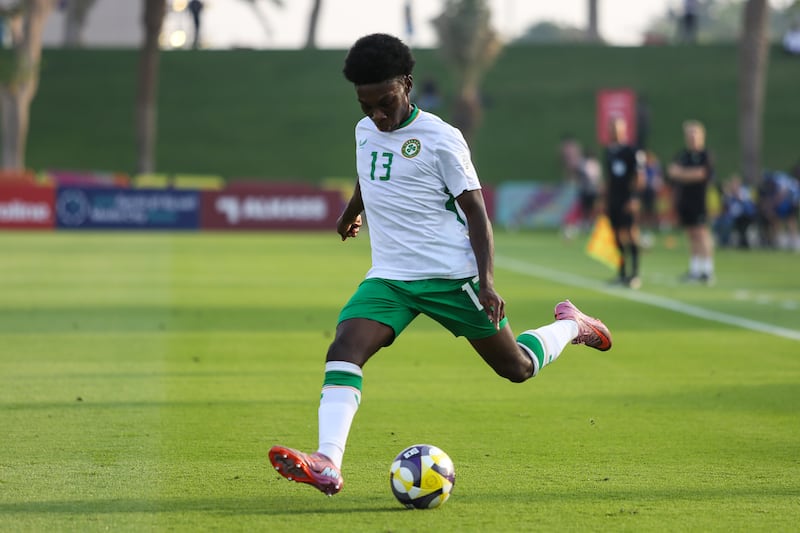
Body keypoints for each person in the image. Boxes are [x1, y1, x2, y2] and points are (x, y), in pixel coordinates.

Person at [267, 33, 613, 496]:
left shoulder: (441, 138)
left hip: (451, 278)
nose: (377, 115)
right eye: (366, 105)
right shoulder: (365, 130)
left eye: (385, 103)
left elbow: (477, 213)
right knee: (344, 348)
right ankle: (328, 462)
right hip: (391, 277)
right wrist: (350, 213)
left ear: (407, 85)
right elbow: (369, 172)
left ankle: (572, 324)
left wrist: (486, 283)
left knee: (516, 368)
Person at [667, 120, 716, 284]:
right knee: (691, 235)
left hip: (699, 200)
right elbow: (672, 172)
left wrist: (682, 174)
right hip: (685, 200)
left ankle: (707, 270)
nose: (692, 138)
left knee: (702, 233)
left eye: (695, 134)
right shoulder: (683, 155)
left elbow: (701, 174)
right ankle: (695, 270)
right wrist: (687, 174)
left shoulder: (705, 155)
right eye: (689, 134)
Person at [602, 117, 645, 289]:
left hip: (628, 198)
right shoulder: (609, 151)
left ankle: (634, 274)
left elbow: (639, 176)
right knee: (616, 235)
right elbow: (609, 178)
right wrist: (605, 198)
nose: (614, 132)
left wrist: (634, 197)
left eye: (617, 128)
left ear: (624, 130)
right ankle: (621, 273)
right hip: (614, 199)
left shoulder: (632, 151)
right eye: (612, 128)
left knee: (631, 233)